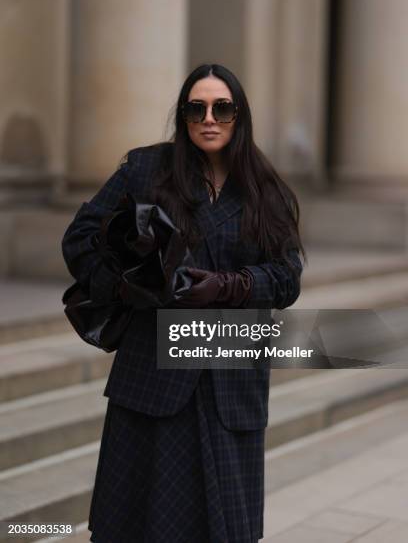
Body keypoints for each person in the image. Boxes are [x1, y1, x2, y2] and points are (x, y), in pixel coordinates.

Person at [61, 63, 304, 542]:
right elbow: (82, 238)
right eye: (196, 107)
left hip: (230, 376)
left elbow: (286, 278)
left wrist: (229, 286)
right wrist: (131, 282)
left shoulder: (266, 190)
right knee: (138, 524)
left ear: (240, 116)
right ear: (183, 115)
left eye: (222, 108)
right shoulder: (145, 168)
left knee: (225, 529)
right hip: (152, 374)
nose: (208, 118)